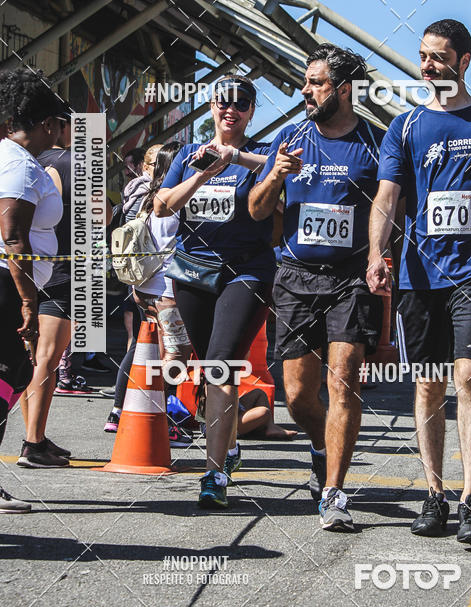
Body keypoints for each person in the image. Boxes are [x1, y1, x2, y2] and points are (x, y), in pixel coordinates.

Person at [367, 18, 471, 547]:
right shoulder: (405, 126)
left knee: (468, 375)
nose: (427, 65)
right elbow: (387, 197)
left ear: (464, 61)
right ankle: (435, 494)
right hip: (420, 276)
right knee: (428, 382)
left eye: (439, 57)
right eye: (423, 55)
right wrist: (375, 254)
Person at [248, 44, 383, 532]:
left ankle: (334, 493)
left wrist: (380, 259)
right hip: (295, 278)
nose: (305, 90)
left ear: (343, 89)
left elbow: (393, 208)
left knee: (343, 381)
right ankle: (322, 446)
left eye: (316, 83)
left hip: (350, 280)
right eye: (306, 82)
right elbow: (257, 210)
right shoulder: (290, 138)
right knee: (298, 396)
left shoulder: (376, 142)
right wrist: (276, 174)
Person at [155, 75, 288, 508]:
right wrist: (203, 174)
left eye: (241, 103)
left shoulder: (263, 153)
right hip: (193, 272)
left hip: (246, 273)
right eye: (223, 101)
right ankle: (228, 449)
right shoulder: (188, 154)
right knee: (209, 367)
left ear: (251, 111)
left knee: (220, 366)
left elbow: (282, 169)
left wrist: (234, 157)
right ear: (212, 105)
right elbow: (162, 206)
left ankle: (213, 475)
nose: (231, 109)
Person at [0, 68, 69, 510]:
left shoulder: (15, 158)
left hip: (11, 284)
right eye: (60, 124)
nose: (62, 132)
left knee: (15, 377)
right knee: (8, 377)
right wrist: (28, 302)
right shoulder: (20, 166)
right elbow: (13, 237)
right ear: (46, 124)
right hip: (6, 287)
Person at [105, 142, 193, 447]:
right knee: (175, 356)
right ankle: (160, 420)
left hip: (144, 286)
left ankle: (129, 414)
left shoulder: (148, 195)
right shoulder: (173, 199)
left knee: (151, 353)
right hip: (167, 289)